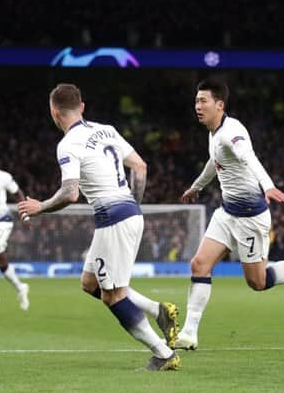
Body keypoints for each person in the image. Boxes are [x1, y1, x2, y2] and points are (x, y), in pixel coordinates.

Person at [17, 83, 180, 371]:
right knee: (89, 283)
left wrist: (40, 206)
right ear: (81, 107)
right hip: (127, 212)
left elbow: (70, 193)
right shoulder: (107, 129)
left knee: (112, 296)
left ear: (54, 113)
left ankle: (164, 354)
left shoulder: (67, 144)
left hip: (113, 220)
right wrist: (133, 204)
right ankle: (159, 311)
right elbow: (140, 167)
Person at [174, 78, 284, 350]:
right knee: (199, 265)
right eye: (196, 101)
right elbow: (213, 162)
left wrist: (269, 186)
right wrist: (196, 187)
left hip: (251, 217)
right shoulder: (214, 133)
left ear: (220, 105)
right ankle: (189, 334)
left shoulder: (232, 131)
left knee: (257, 282)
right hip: (227, 212)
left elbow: (249, 158)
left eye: (203, 101)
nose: (197, 106)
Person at [0, 170, 30, 310]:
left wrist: (25, 214)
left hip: (2, 221)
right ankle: (21, 287)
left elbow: (17, 193)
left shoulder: (3, 176)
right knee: (2, 261)